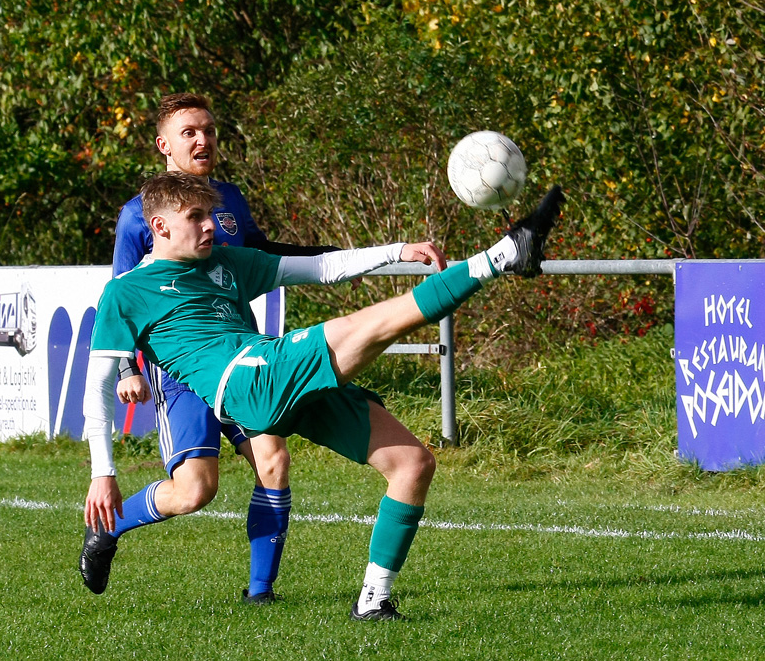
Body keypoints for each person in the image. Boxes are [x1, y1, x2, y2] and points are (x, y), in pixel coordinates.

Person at [81, 171, 564, 619]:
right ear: (160, 226)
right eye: (196, 218)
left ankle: (374, 601)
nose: (212, 227)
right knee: (366, 326)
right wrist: (103, 474)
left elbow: (323, 266)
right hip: (247, 384)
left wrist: (397, 250)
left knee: (413, 464)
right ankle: (503, 255)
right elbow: (98, 388)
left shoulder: (227, 262)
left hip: (268, 367)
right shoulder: (126, 292)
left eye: (211, 215)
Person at [83, 93, 343, 605]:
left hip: (241, 357)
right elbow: (123, 295)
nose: (203, 140)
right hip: (180, 371)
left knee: (274, 460)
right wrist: (129, 369)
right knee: (194, 492)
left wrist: (339, 257)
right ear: (164, 145)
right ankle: (108, 530)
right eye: (189, 132)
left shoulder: (228, 198)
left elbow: (264, 255)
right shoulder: (140, 216)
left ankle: (260, 595)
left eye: (209, 129)